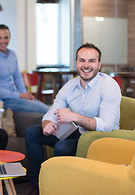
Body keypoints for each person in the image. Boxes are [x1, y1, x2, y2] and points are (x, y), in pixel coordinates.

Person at [25, 43, 121, 195]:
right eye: (82, 60)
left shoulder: (109, 86)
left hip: (100, 138)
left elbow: (107, 126)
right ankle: (38, 185)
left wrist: (74, 116)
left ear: (99, 64)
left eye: (92, 61)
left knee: (62, 147)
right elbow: (49, 115)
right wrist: (48, 124)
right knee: (33, 132)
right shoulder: (70, 86)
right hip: (78, 133)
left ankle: (57, 188)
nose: (86, 65)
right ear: (76, 63)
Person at [0, 24, 49, 115]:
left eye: (6, 37)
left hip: (16, 98)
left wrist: (25, 94)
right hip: (2, 102)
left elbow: (17, 77)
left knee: (47, 109)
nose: (3, 41)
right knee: (45, 110)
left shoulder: (12, 55)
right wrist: (20, 95)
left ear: (10, 38)